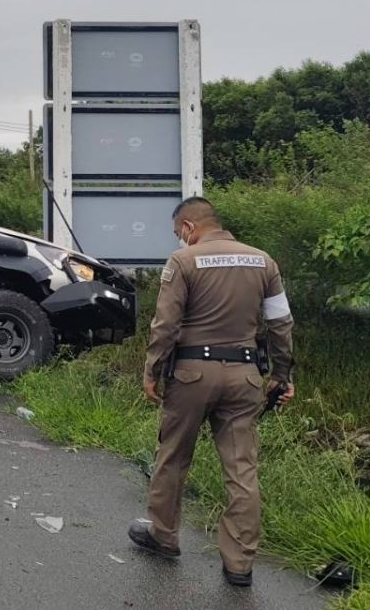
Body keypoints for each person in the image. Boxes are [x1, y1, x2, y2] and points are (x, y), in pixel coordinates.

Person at [128, 197, 294, 588]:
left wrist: (152, 370)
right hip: (245, 377)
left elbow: (165, 324)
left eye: (178, 233)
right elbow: (281, 323)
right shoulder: (264, 262)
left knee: (172, 456)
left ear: (189, 227)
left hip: (191, 376)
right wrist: (281, 375)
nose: (179, 239)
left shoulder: (183, 261)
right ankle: (240, 564)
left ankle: (163, 535)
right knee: (241, 469)